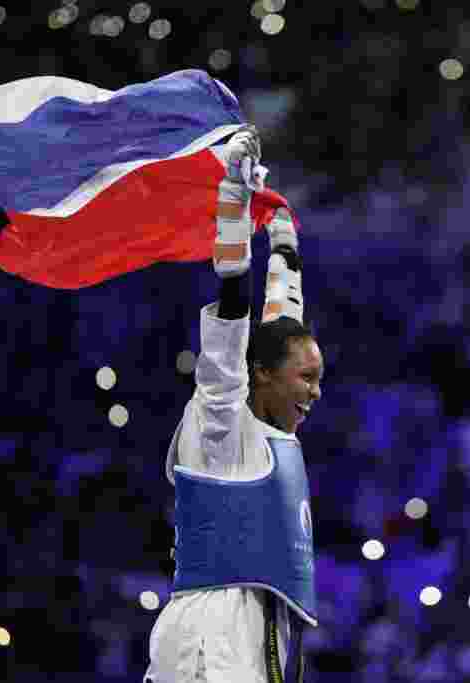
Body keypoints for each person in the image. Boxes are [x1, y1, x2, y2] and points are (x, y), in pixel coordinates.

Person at [145, 128, 325, 683]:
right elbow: (231, 318)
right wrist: (232, 205)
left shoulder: (277, 434)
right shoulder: (222, 420)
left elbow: (283, 316)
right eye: (308, 378)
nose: (316, 392)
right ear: (263, 376)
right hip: (209, 639)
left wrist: (286, 237)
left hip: (252, 637)